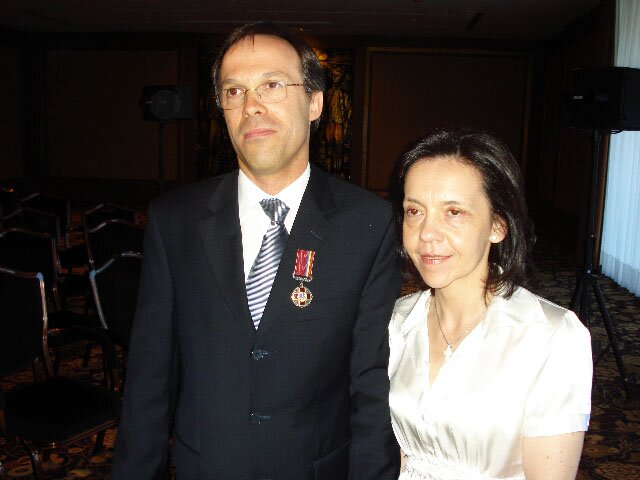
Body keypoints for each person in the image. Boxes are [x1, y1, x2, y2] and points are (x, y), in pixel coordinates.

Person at [111, 21, 401, 480]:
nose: (251, 106)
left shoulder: (368, 224)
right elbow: (149, 379)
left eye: (271, 85)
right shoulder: (174, 221)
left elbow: (371, 389)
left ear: (315, 102)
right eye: (234, 91)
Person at [387, 129, 592, 479]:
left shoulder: (550, 337)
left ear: (497, 225)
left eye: (454, 212)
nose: (427, 233)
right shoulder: (396, 322)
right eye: (414, 211)